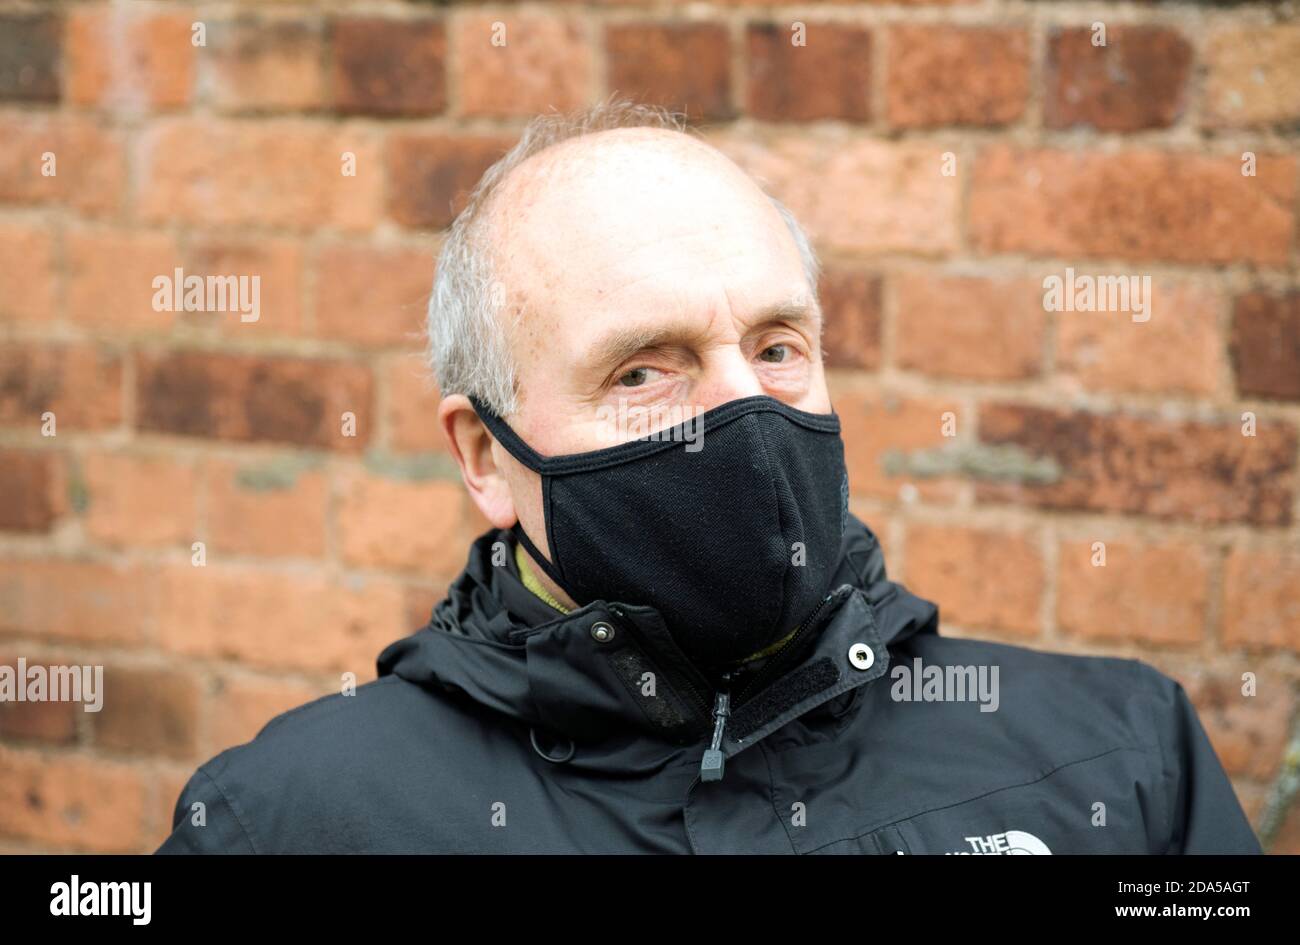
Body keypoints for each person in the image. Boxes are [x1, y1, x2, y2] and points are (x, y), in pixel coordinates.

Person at [157, 100, 1261, 854]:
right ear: (486, 455)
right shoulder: (290, 823)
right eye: (646, 368)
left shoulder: (1119, 757)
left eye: (778, 348)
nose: (741, 409)